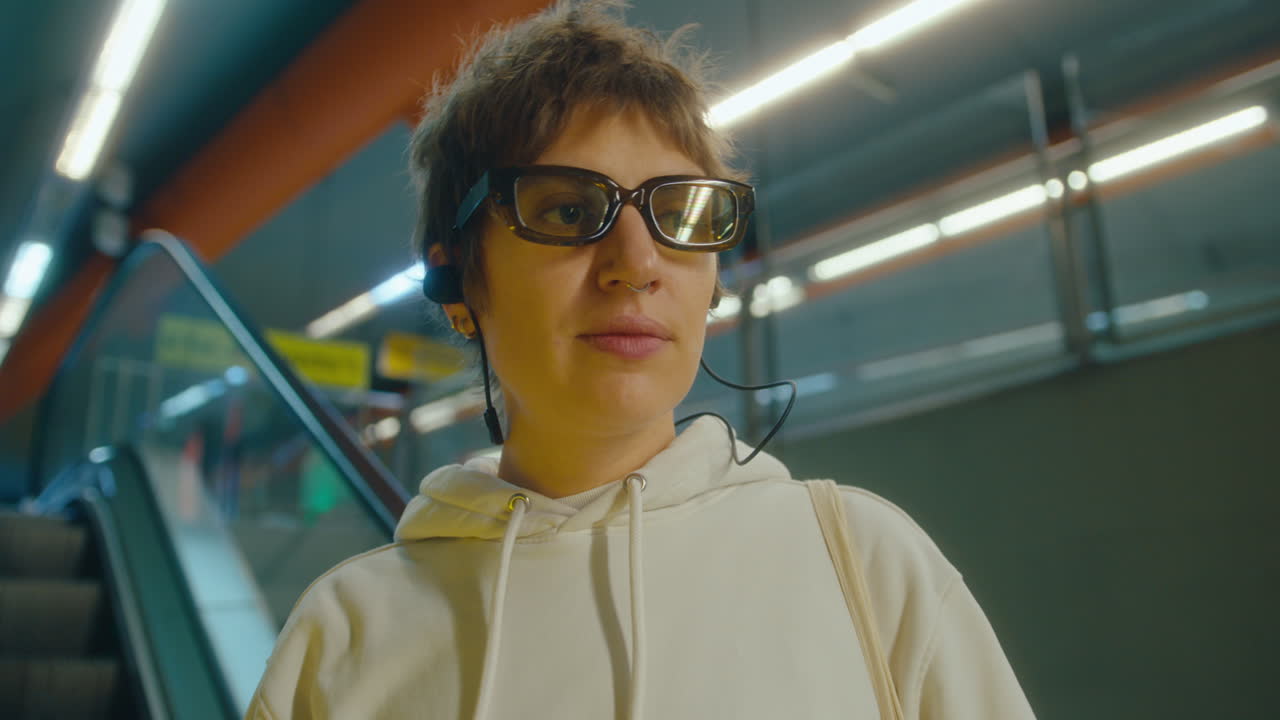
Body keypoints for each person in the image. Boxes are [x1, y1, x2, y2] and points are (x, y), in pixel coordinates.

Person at [245, 2, 1037, 718]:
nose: (637, 261)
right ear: (457, 278)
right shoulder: (344, 637)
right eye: (566, 209)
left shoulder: (862, 563)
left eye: (680, 213)